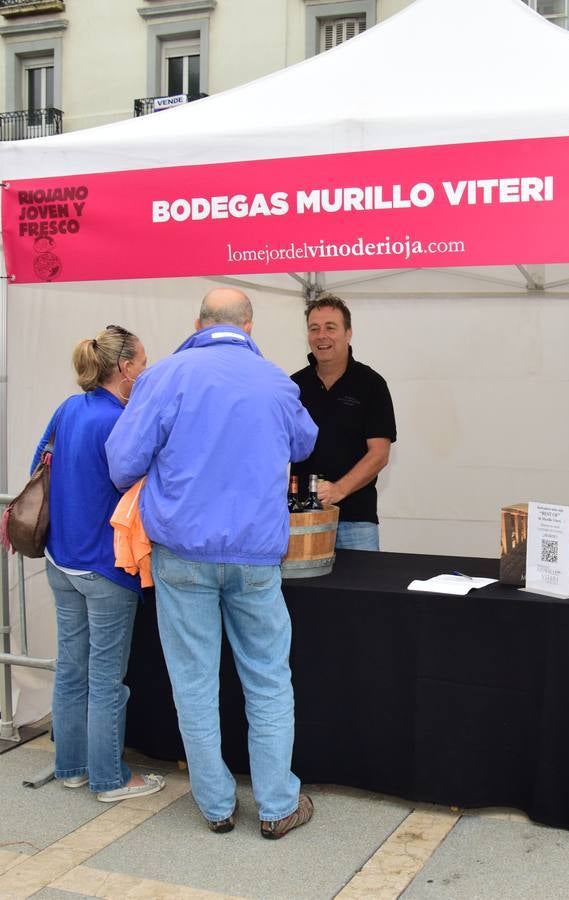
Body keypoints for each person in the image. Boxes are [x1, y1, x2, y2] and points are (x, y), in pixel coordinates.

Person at [104, 288, 319, 838]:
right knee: (269, 679)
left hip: (182, 555)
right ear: (248, 326)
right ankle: (277, 807)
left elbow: (122, 463)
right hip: (255, 557)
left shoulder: (163, 377)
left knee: (193, 682)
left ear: (198, 322)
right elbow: (305, 443)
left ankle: (216, 806)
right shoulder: (277, 380)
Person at [37, 325, 165, 802]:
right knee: (107, 679)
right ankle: (109, 777)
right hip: (106, 566)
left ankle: (70, 766)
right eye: (144, 363)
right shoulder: (121, 422)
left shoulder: (68, 409)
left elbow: (41, 466)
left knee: (72, 669)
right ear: (126, 368)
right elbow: (135, 484)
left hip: (60, 558)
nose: (146, 372)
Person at [290, 292, 397, 550]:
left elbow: (379, 454)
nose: (321, 336)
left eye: (330, 327)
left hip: (356, 521)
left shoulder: (372, 384)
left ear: (348, 333)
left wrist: (339, 489)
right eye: (314, 329)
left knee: (359, 590)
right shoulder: (293, 386)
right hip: (302, 517)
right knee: (304, 591)